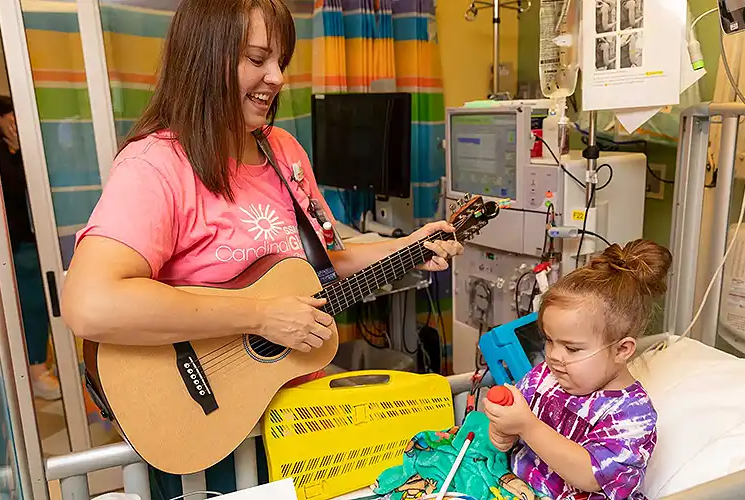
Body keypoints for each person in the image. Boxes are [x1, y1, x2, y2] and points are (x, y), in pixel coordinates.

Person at [60, 0, 463, 495]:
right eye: (256, 59)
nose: (276, 78)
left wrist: (408, 246)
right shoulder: (156, 166)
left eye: (281, 61)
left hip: (295, 422)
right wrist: (260, 316)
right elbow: (91, 303)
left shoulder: (283, 151)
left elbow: (324, 261)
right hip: (203, 418)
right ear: (205, 57)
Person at [483, 239, 671, 500]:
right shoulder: (544, 378)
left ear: (621, 350)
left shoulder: (632, 414)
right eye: (550, 340)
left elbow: (590, 476)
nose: (554, 356)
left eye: (571, 348)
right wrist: (503, 431)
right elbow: (514, 433)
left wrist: (527, 426)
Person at [0, 95, 60, 401]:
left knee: (36, 303)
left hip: (27, 239)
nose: (16, 123)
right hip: (13, 243)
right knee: (33, 304)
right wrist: (17, 153)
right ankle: (36, 370)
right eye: (10, 117)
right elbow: (13, 190)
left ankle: (36, 367)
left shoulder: (13, 151)